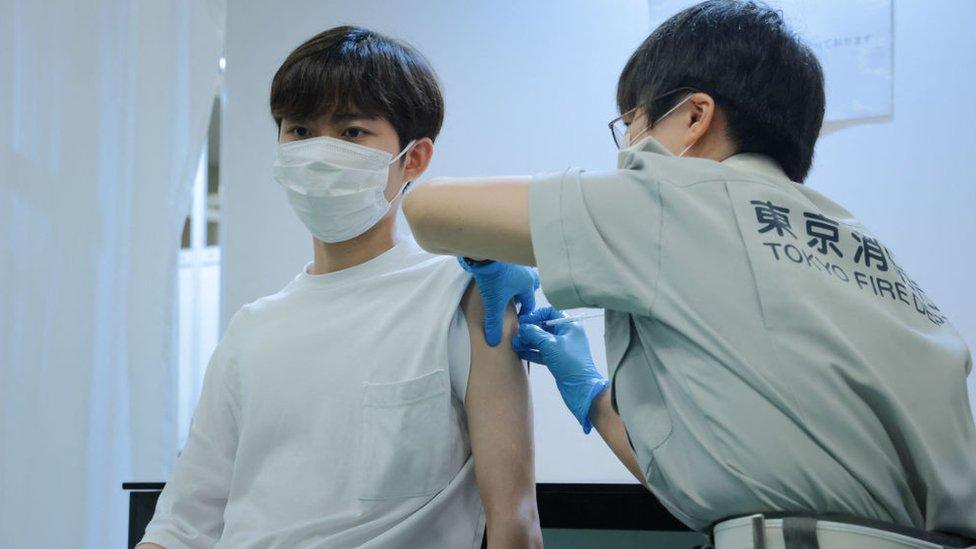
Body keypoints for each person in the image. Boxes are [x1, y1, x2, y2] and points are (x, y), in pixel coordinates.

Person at [403, 2, 976, 547]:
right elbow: (726, 486)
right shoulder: (859, 245)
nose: (626, 145)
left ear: (694, 117)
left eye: (631, 124)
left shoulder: (675, 198)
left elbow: (428, 211)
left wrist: (489, 252)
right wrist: (593, 395)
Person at [138, 26, 541, 549]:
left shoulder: (462, 298)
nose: (320, 152)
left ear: (413, 159)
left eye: (351, 132)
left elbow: (515, 523)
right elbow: (181, 526)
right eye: (300, 131)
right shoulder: (252, 329)